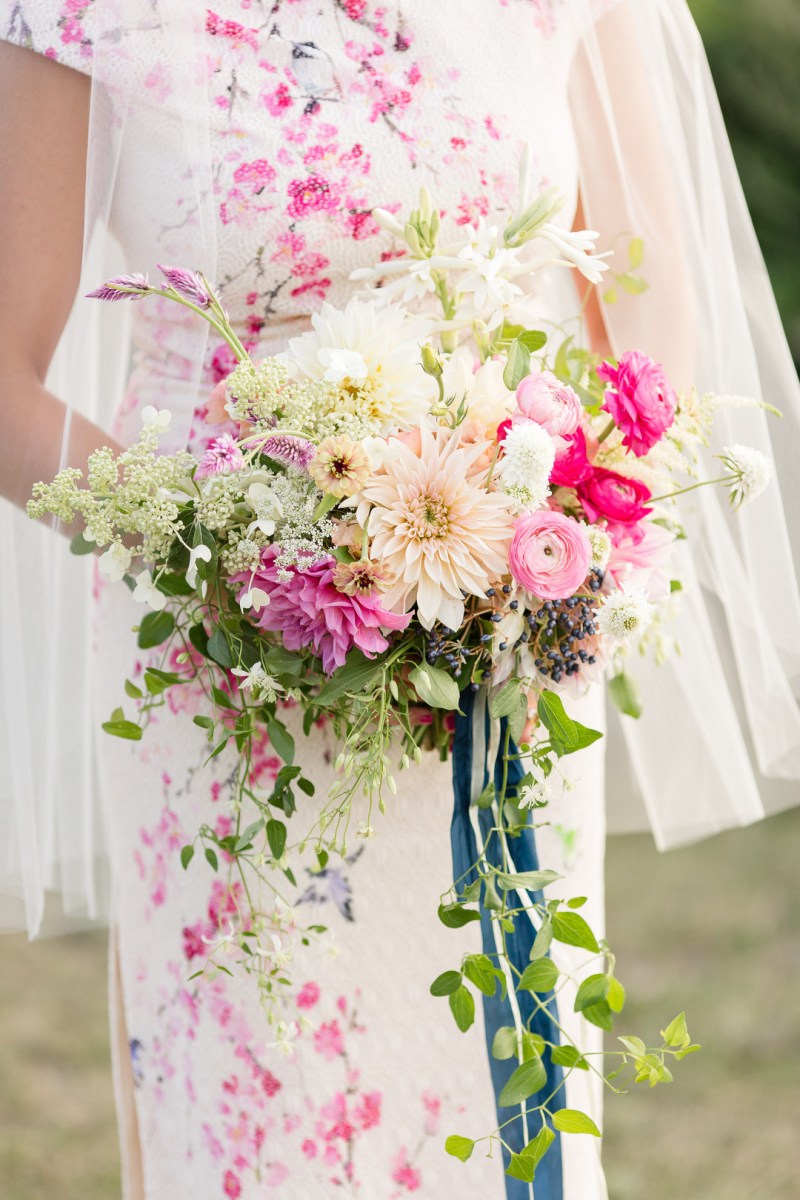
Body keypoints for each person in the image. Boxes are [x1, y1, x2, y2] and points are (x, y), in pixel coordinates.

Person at [1, 3, 798, 1198]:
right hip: (225, 665)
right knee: (264, 1110)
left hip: (496, 632)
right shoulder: (79, 14)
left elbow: (645, 310)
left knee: (495, 1090)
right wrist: (217, 557)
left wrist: (571, 525)